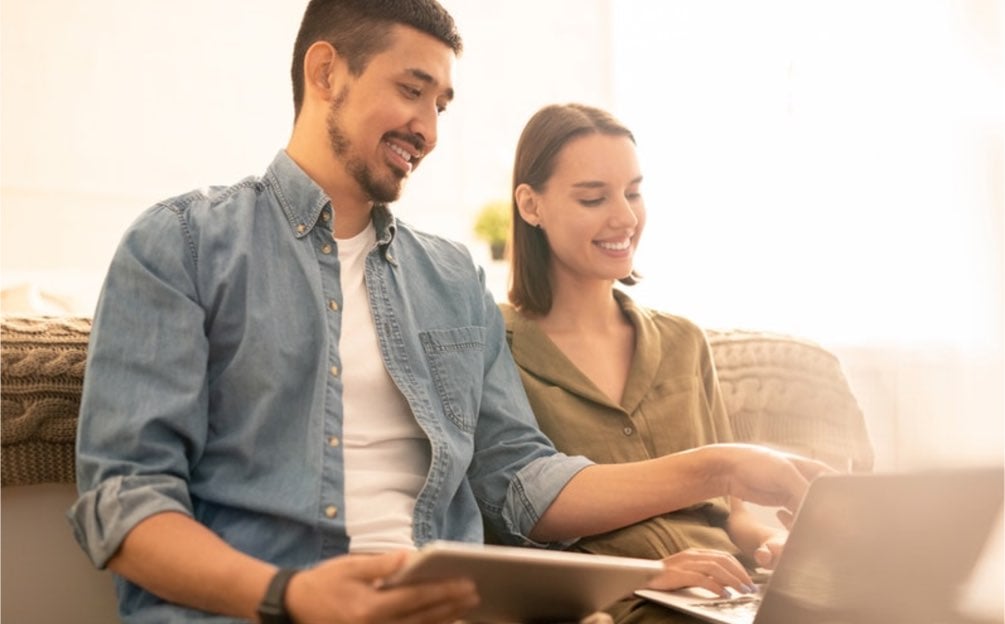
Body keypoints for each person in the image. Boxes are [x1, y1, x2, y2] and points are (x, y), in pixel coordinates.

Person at [68, 3, 830, 622]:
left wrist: (723, 466)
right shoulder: (185, 245)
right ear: (325, 71)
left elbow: (520, 483)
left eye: (440, 103)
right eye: (410, 89)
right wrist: (293, 596)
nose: (428, 129)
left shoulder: (449, 276)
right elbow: (124, 503)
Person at [501, 103, 793, 623]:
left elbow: (734, 516)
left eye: (633, 192)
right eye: (594, 197)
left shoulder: (683, 341)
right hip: (622, 609)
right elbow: (512, 529)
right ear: (531, 205)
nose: (625, 217)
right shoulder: (494, 348)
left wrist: (776, 541)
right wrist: (645, 573)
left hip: (734, 599)